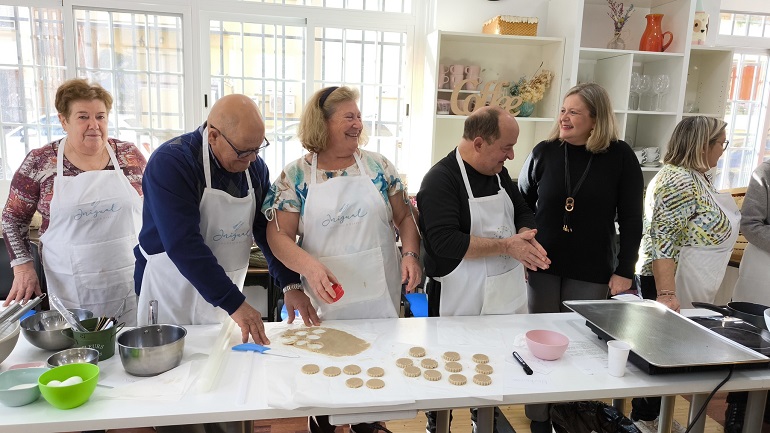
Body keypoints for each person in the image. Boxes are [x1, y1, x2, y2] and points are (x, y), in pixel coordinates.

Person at [262, 85, 421, 433]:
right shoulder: (297, 176)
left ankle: (370, 424)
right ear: (323, 122)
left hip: (379, 294)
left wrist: (411, 254)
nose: (358, 124)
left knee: (376, 373)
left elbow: (405, 218)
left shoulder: (379, 167)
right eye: (349, 116)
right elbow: (278, 236)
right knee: (324, 380)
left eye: (359, 116)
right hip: (326, 297)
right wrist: (308, 267)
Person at [517, 83, 643, 433]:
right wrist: (524, 246)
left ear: (596, 119)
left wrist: (625, 270)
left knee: (578, 345)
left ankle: (571, 416)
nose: (564, 117)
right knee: (541, 342)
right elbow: (522, 203)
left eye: (574, 112)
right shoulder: (544, 152)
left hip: (592, 268)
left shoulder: (620, 156)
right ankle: (539, 418)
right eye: (563, 110)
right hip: (543, 264)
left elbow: (632, 218)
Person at [417, 105, 549, 433]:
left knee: (495, 364)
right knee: (448, 367)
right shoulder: (440, 180)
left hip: (502, 292)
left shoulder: (498, 173)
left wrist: (524, 234)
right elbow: (445, 242)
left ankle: (484, 417)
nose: (512, 154)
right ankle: (440, 421)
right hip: (456, 294)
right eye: (506, 148)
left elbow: (523, 208)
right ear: (479, 143)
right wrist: (507, 246)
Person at [134, 94, 299, 344]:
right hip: (171, 289)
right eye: (244, 151)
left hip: (221, 289)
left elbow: (266, 232)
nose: (253, 159)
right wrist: (234, 302)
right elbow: (183, 244)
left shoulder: (253, 168)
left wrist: (290, 283)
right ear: (213, 135)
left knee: (218, 367)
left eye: (258, 148)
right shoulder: (172, 163)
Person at [2, 78, 145, 326]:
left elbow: (156, 206)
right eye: (83, 117)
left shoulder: (129, 155)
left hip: (128, 280)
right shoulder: (40, 162)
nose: (94, 125)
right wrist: (23, 267)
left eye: (100, 116)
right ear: (63, 120)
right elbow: (12, 218)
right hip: (70, 288)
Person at [632, 116, 735, 433]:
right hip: (668, 281)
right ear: (702, 145)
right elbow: (664, 242)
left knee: (672, 357)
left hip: (690, 278)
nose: (723, 150)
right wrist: (666, 295)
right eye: (721, 143)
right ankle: (645, 419)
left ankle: (654, 417)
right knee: (659, 356)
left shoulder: (698, 177)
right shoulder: (677, 180)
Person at [719, 160, 770, 433]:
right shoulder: (766, 172)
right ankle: (737, 408)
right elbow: (750, 224)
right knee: (750, 341)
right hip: (764, 269)